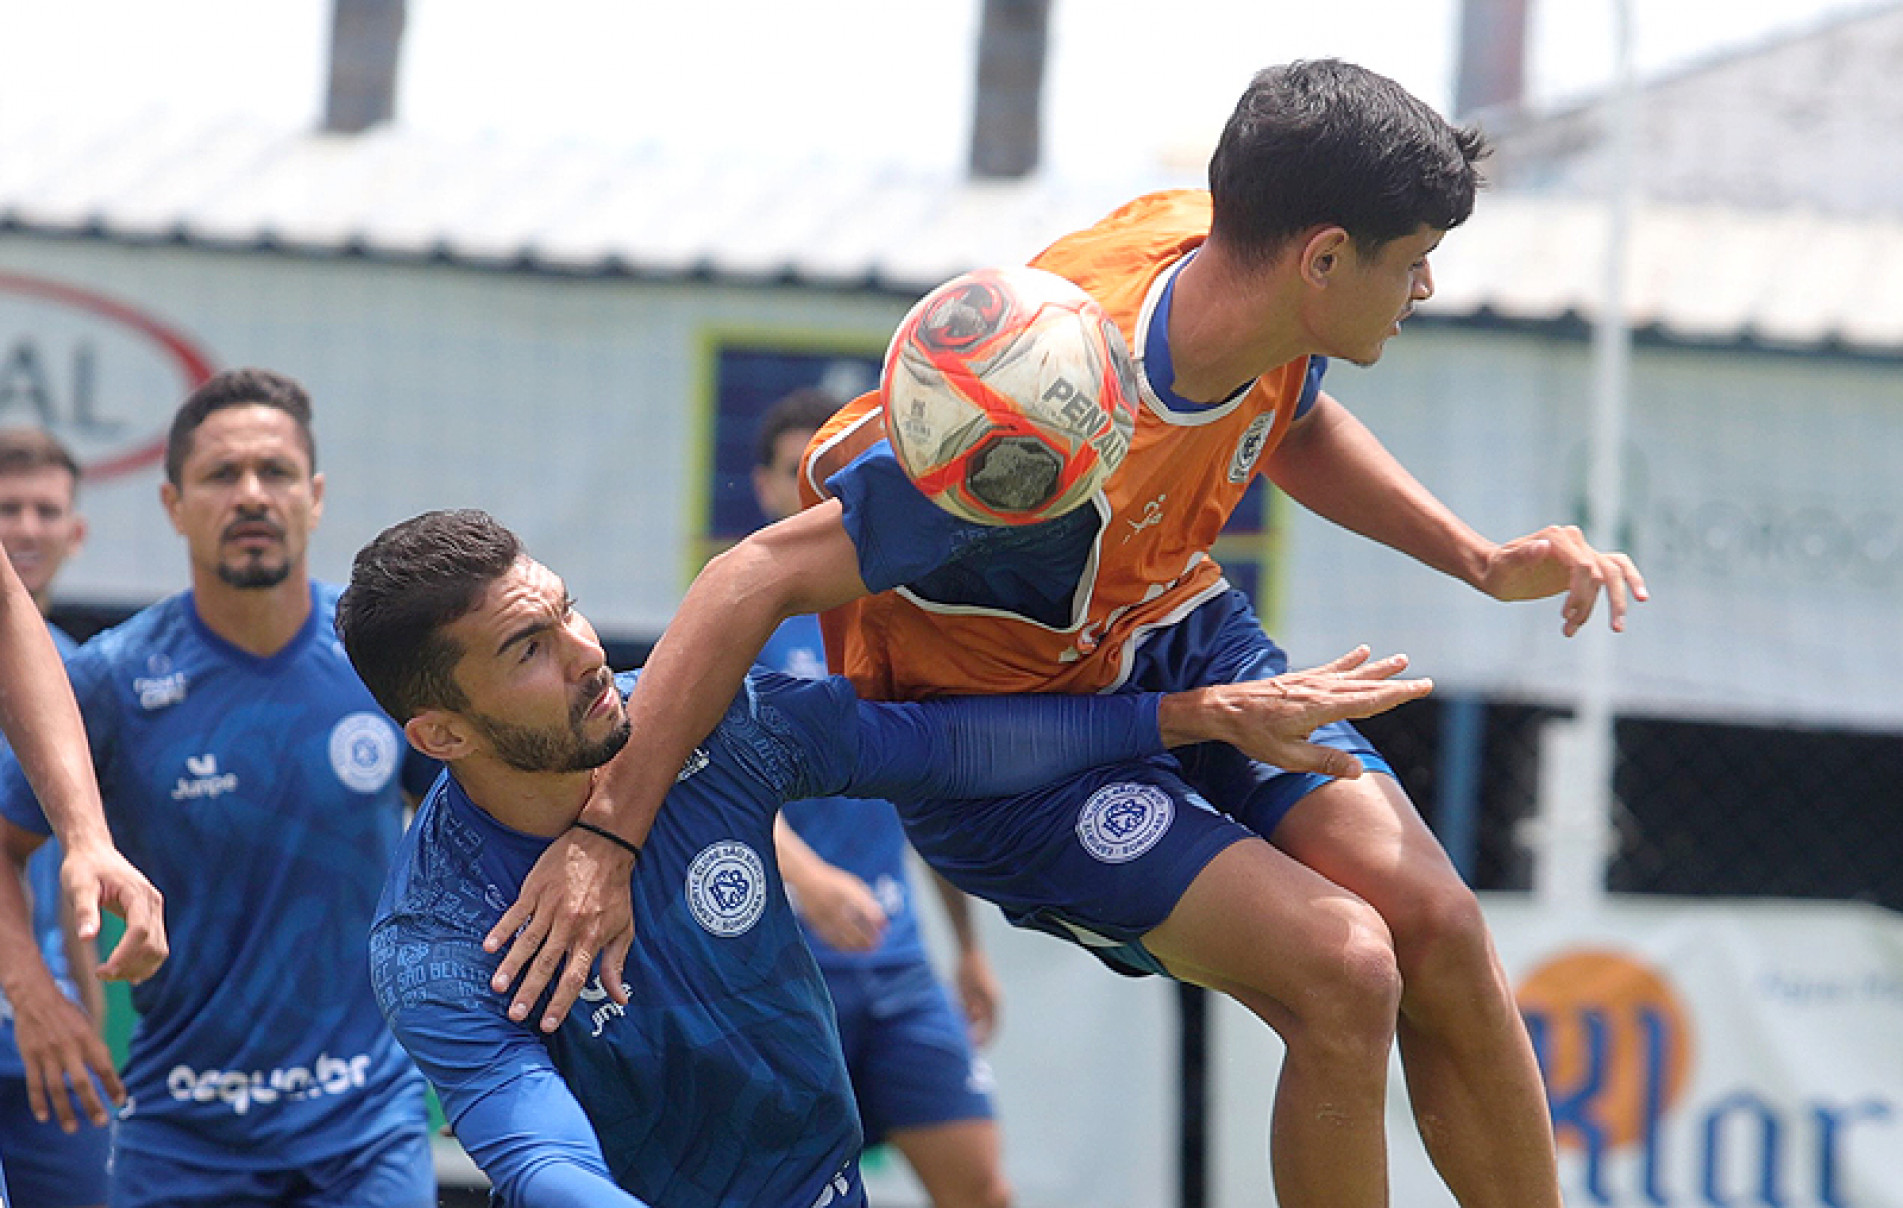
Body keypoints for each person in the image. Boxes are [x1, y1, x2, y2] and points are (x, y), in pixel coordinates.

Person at [491, 60, 1652, 1208]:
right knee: (1345, 966)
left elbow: (1290, 411)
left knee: (1439, 926)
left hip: (1172, 632)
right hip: (1012, 749)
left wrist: (1480, 557)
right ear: (1326, 258)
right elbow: (749, 576)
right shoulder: (1028, 422)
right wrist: (609, 837)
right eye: (1413, 261)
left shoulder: (1229, 245)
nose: (1428, 287)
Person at [334, 507, 1428, 1208]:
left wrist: (1203, 713)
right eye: (529, 648)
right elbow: (543, 1160)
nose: (585, 653)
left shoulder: (710, 724)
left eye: (566, 610)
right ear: (440, 733)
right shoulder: (436, 939)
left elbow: (949, 742)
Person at [0, 370, 432, 1208]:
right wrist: (35, 995)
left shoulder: (383, 662)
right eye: (220, 476)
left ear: (313, 497)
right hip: (181, 1130)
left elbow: (486, 811)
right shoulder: (111, 680)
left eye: (274, 473)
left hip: (365, 1126)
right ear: (172, 504)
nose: (250, 495)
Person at [754, 389, 1012, 1208]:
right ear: (764, 487)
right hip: (778, 973)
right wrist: (809, 880)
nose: (824, 491)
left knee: (983, 1191)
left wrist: (966, 947)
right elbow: (697, 775)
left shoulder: (906, 610)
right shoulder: (745, 612)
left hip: (898, 969)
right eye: (801, 472)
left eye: (840, 472)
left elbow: (931, 789)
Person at [0, 427, 111, 1208]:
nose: (28, 529)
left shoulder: (91, 677)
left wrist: (85, 1014)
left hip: (50, 1033)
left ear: (76, 531)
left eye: (47, 510)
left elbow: (81, 871)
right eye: (9, 509)